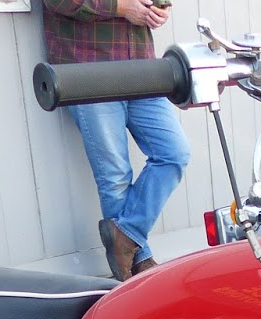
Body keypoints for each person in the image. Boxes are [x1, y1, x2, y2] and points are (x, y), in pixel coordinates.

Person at [43, 0, 193, 279]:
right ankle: (138, 268)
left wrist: (159, 8)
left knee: (174, 153)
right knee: (114, 174)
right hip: (88, 68)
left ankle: (128, 236)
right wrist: (123, 8)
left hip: (141, 66)